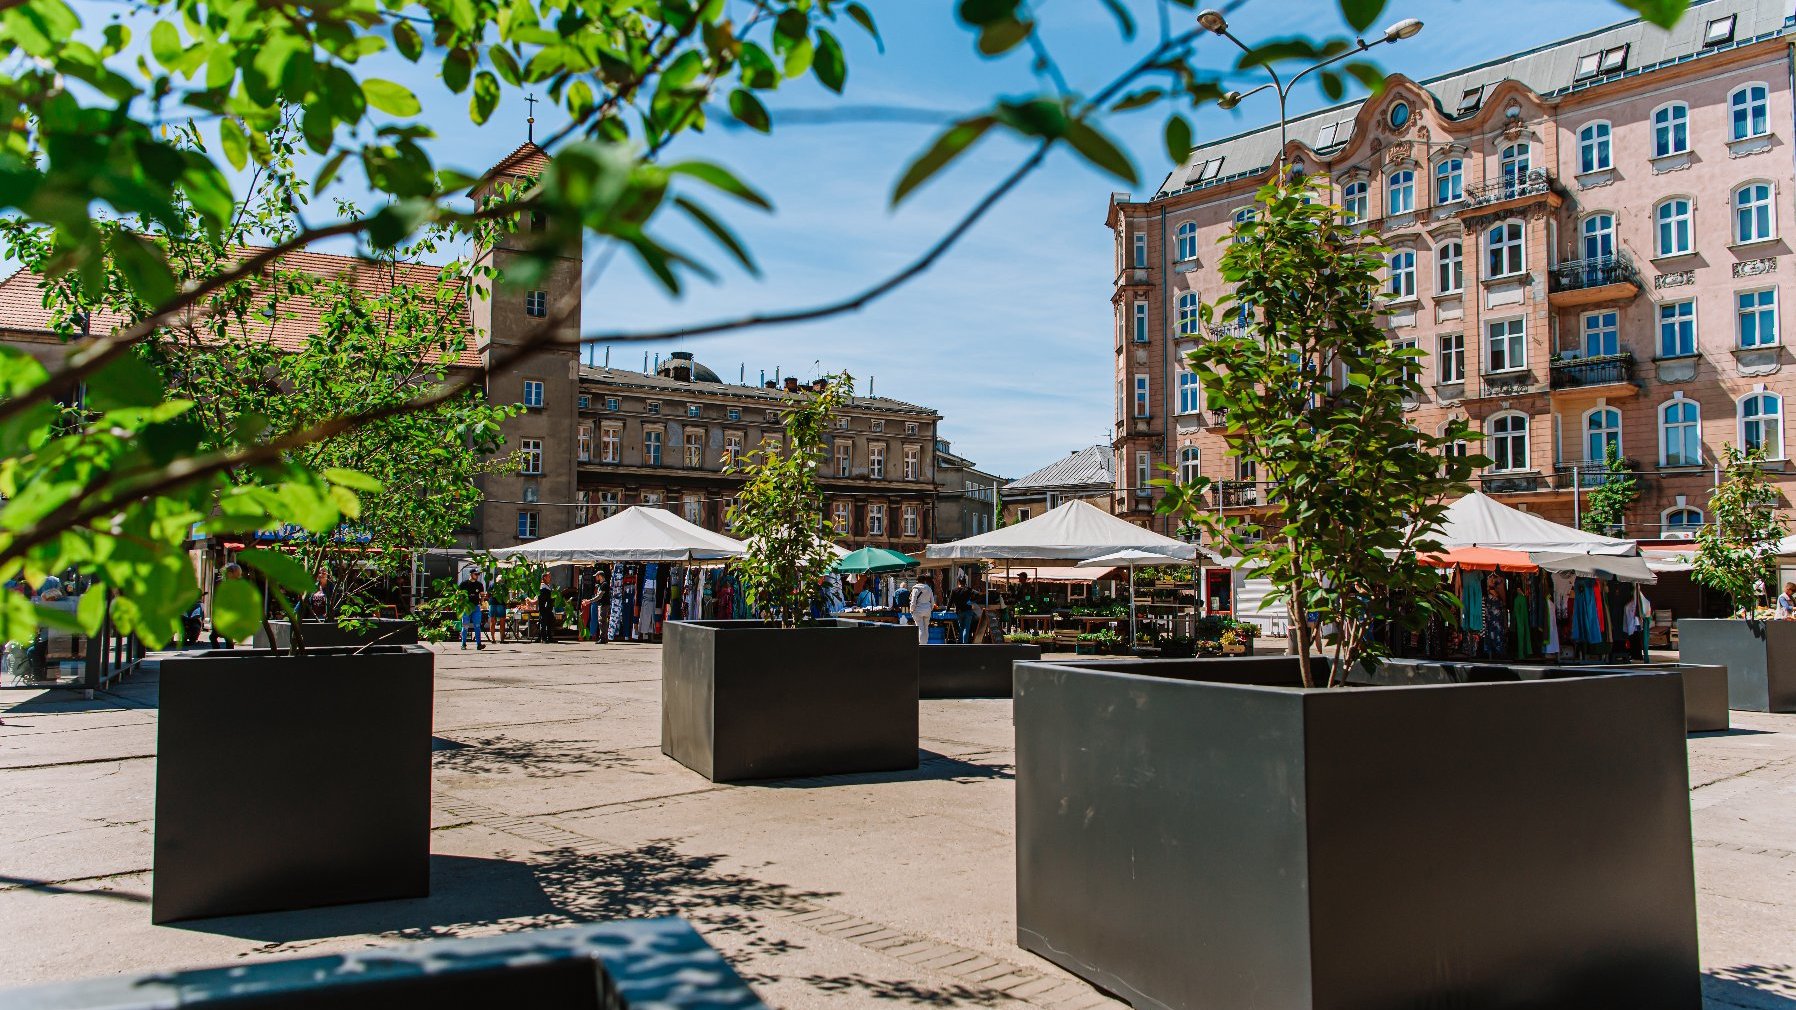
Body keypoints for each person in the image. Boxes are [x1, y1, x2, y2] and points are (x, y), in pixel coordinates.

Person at [458, 569, 486, 650]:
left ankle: (479, 644)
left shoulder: (479, 584)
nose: (477, 576)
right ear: (471, 574)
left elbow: (482, 595)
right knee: (465, 626)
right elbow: (459, 595)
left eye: (478, 574)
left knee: (477, 626)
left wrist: (481, 602)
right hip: (466, 607)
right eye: (475, 574)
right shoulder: (464, 584)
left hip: (476, 607)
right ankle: (463, 644)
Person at [909, 575, 936, 646]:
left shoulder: (915, 589)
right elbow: (932, 601)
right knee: (926, 627)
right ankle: (925, 644)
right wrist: (931, 608)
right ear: (925, 581)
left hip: (918, 610)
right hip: (927, 610)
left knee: (920, 627)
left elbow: (913, 601)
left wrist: (912, 609)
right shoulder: (929, 588)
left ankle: (921, 645)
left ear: (917, 581)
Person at [950, 576, 974, 643]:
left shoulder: (954, 590)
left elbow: (950, 601)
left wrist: (947, 609)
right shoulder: (969, 589)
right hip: (968, 611)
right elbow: (975, 597)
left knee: (961, 628)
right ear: (965, 582)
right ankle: (964, 643)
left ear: (958, 582)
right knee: (966, 628)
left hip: (959, 611)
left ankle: (960, 643)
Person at [536, 573, 556, 643]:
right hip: (544, 607)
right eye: (548, 577)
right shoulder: (543, 587)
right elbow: (543, 598)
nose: (550, 578)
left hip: (548, 608)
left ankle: (549, 637)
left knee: (550, 622)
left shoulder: (547, 586)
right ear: (544, 577)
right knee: (544, 623)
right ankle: (543, 638)